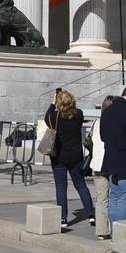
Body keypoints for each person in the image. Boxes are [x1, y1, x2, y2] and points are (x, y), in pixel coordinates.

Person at [43, 89, 96, 230]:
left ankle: (63, 218)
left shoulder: (54, 116)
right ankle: (91, 214)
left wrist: (52, 103)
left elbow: (46, 117)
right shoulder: (79, 114)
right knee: (81, 185)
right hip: (75, 156)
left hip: (59, 156)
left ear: (58, 103)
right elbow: (73, 111)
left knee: (61, 188)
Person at [100, 84, 126, 226]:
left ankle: (114, 232)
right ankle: (120, 235)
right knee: (124, 199)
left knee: (113, 198)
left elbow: (102, 136)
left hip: (111, 160)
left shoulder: (107, 111)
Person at [91, 95, 113, 241]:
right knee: (113, 198)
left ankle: (101, 230)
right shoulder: (113, 122)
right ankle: (113, 228)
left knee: (101, 199)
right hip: (109, 164)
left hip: (96, 164)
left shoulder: (96, 122)